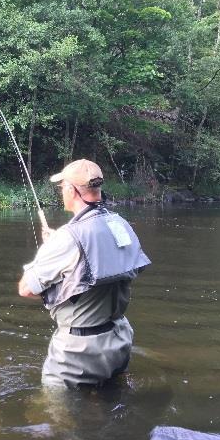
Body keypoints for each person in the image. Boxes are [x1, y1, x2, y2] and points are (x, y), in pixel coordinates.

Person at [18, 159, 151, 388]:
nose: (62, 192)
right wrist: (57, 244)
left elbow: (26, 289)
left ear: (71, 190)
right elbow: (100, 255)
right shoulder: (120, 224)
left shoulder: (67, 238)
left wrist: (48, 250)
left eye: (62, 188)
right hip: (119, 340)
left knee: (58, 418)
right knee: (113, 404)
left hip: (78, 353)